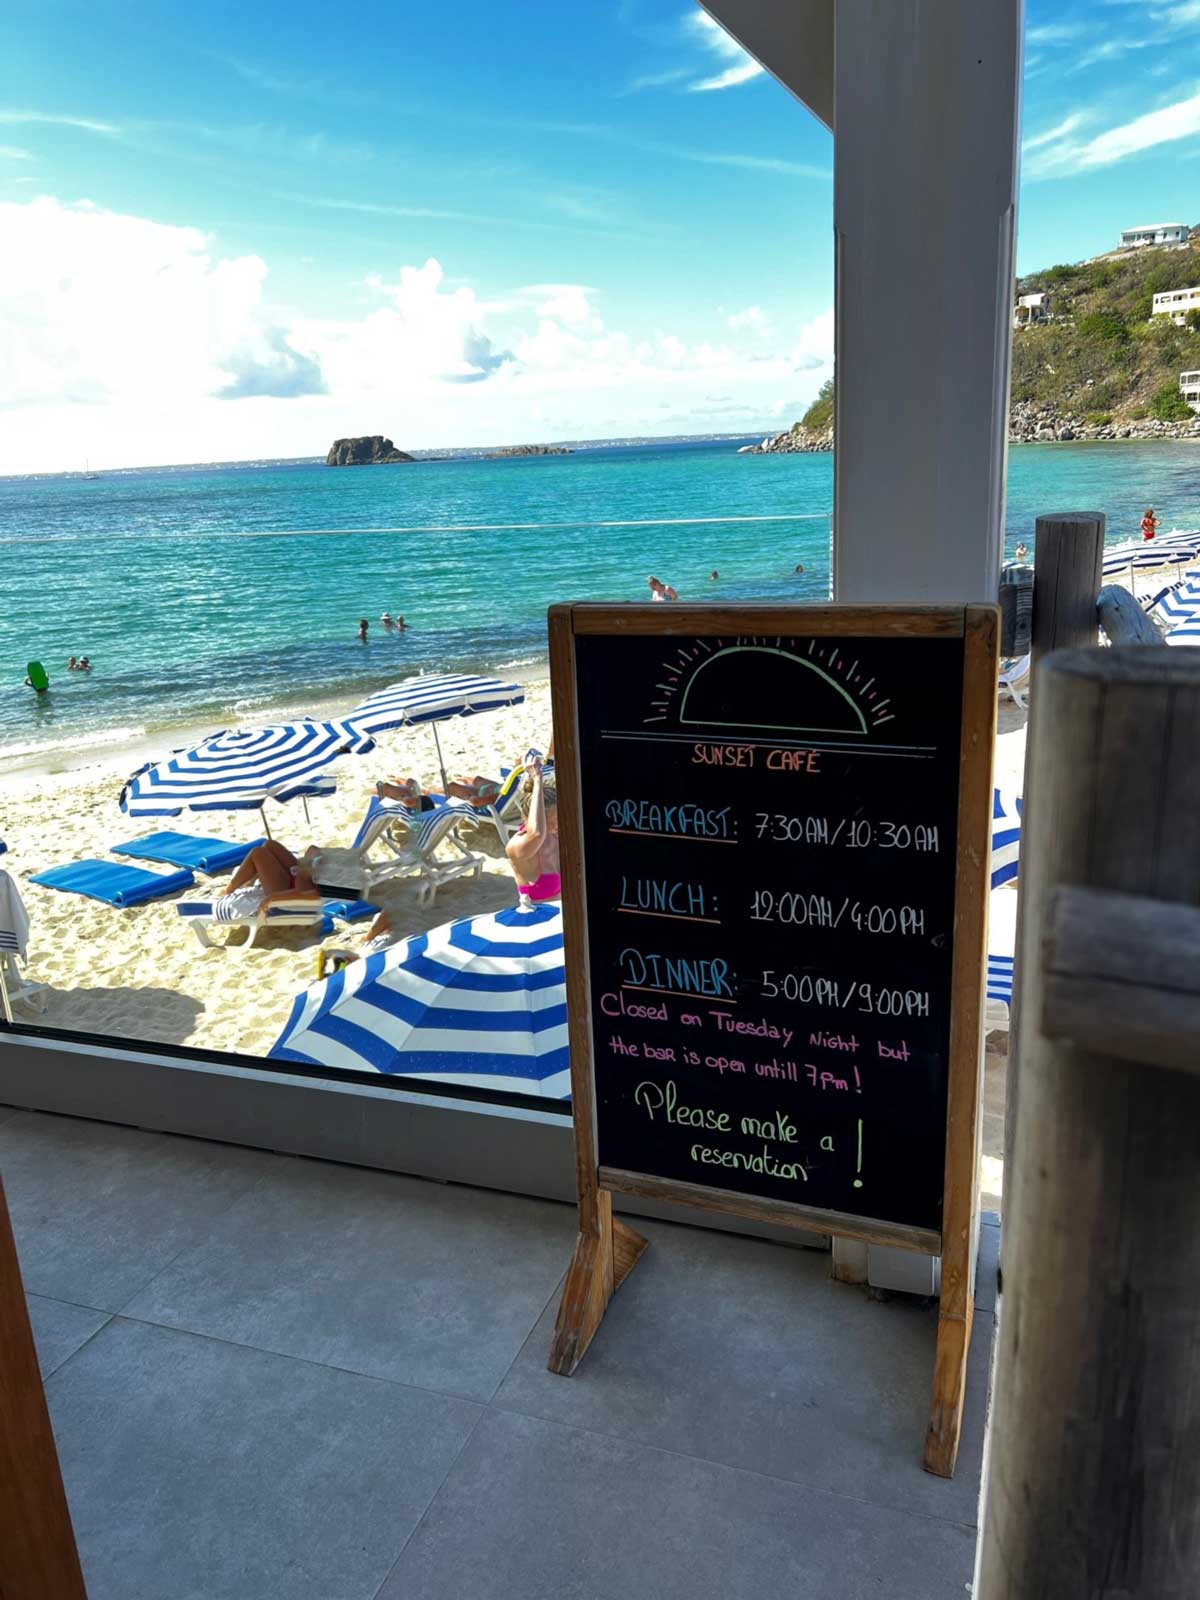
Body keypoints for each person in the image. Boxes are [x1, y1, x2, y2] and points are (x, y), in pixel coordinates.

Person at [215, 840, 322, 919]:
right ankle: (251, 879)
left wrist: (272, 897)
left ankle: (228, 890)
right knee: (269, 844)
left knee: (258, 853)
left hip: (289, 890)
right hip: (299, 878)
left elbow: (309, 894)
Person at [505, 758, 560, 903]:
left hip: (566, 914)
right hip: (539, 918)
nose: (558, 825)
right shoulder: (516, 846)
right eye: (552, 821)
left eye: (559, 818)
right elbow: (536, 833)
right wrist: (537, 779)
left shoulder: (556, 836)